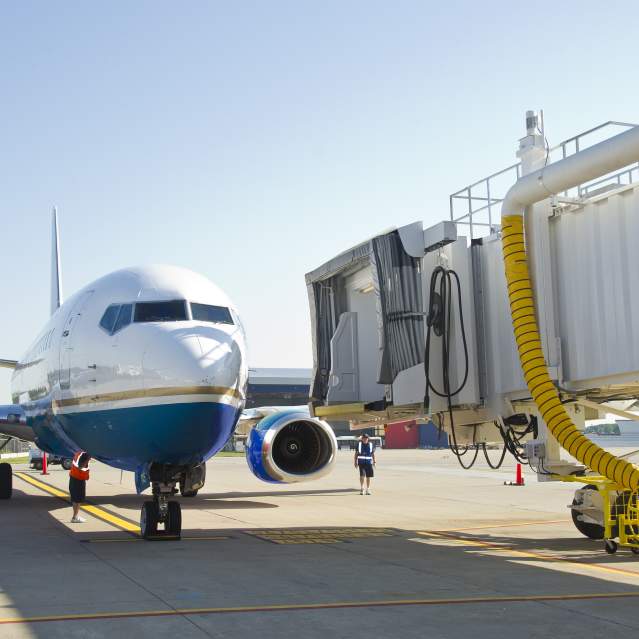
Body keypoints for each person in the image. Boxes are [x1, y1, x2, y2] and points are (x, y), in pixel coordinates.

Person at [69, 451, 91, 523]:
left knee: (75, 499)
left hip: (73, 478)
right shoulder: (85, 455)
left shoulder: (78, 453)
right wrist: (88, 458)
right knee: (78, 500)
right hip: (79, 480)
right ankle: (75, 517)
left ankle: (75, 516)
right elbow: (81, 466)